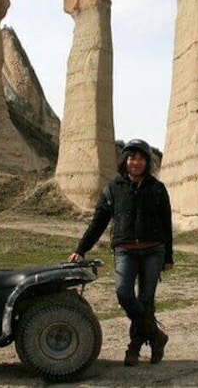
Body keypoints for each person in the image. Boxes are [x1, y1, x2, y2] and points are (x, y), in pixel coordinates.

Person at [68, 139, 174, 366]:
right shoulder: (112, 190)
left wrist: (169, 256)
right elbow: (97, 224)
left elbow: (167, 223)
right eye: (131, 158)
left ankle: (134, 349)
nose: (136, 162)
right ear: (124, 161)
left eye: (141, 158)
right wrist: (81, 249)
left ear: (147, 162)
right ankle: (156, 336)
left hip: (153, 250)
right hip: (125, 251)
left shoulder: (157, 189)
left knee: (146, 301)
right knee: (124, 293)